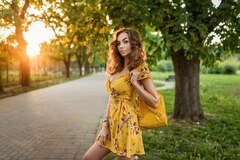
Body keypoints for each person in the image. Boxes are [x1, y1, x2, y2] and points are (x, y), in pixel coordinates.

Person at [83, 28, 159, 160]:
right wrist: (104, 126)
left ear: (134, 44)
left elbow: (154, 101)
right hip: (111, 124)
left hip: (127, 123)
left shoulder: (140, 69)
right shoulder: (116, 68)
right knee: (89, 157)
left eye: (125, 42)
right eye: (118, 43)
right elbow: (111, 98)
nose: (121, 46)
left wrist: (135, 84)